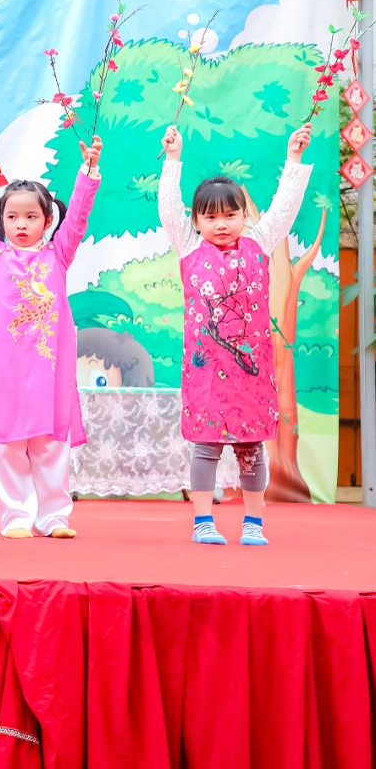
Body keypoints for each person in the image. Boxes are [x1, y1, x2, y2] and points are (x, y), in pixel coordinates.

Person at [159, 122, 312, 546]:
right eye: (210, 217)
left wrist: (294, 160)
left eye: (230, 215)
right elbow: (168, 209)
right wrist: (173, 160)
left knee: (252, 449)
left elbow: (285, 206)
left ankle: (254, 524)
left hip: (251, 371)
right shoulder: (190, 247)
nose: (222, 224)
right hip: (206, 374)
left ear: (245, 216)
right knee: (206, 447)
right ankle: (203, 523)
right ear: (195, 220)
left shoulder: (260, 243)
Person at [0, 137, 102, 538]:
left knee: (51, 441)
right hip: (7, 369)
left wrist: (88, 172)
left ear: (47, 221)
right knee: (9, 441)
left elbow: (78, 216)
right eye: (12, 216)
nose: (21, 224)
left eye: (31, 217)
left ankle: (53, 517)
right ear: (1, 220)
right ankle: (15, 516)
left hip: (51, 369)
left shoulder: (58, 254)